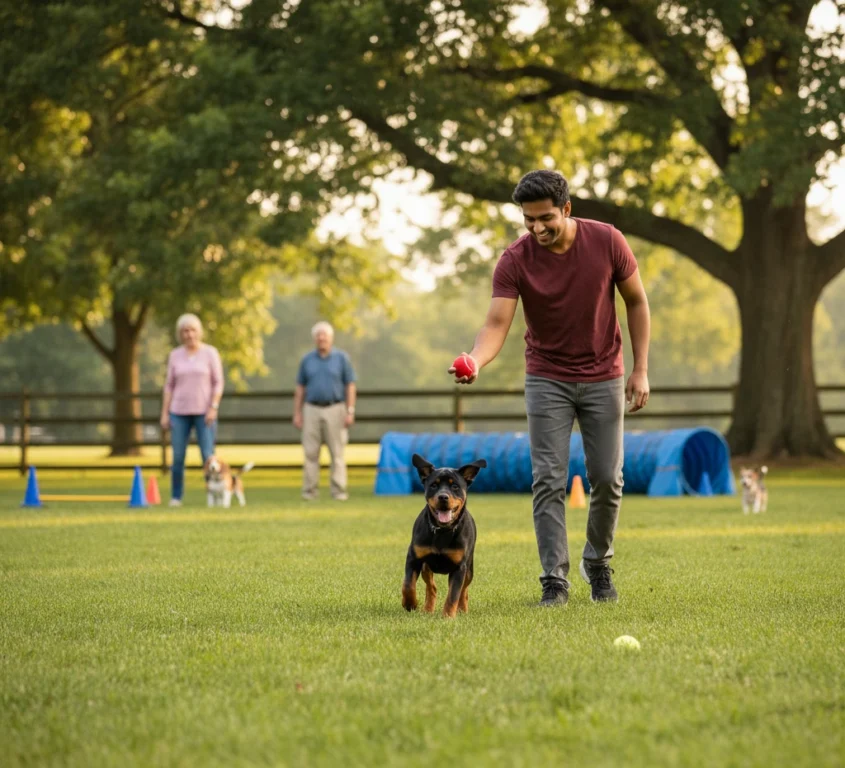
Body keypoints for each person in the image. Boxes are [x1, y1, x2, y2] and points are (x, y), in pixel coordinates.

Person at [449, 170, 651, 607]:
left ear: (567, 209)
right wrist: (475, 360)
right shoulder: (515, 259)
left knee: (607, 479)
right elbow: (496, 323)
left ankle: (597, 564)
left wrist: (641, 370)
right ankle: (554, 581)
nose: (537, 228)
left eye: (545, 218)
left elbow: (636, 300)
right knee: (547, 480)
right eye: (528, 220)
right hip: (546, 377)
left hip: (604, 375)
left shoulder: (608, 241)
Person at [160, 313, 224, 507]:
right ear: (180, 334)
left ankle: (212, 495)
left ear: (199, 332)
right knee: (178, 457)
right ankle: (176, 497)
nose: (189, 334)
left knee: (208, 455)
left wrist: (213, 407)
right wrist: (165, 412)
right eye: (185, 331)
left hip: (205, 413)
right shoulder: (175, 355)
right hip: (178, 412)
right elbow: (169, 386)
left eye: (193, 330)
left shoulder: (210, 353)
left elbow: (218, 383)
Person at [293, 321, 357, 501]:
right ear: (315, 338)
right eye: (318, 335)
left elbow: (350, 386)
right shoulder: (307, 360)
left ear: (331, 338)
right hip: (311, 409)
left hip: (336, 408)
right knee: (310, 453)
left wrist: (350, 411)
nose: (321, 338)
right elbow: (300, 388)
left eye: (325, 335)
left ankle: (339, 492)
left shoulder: (341, 358)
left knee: (337, 454)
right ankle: (309, 492)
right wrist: (297, 413)